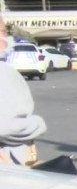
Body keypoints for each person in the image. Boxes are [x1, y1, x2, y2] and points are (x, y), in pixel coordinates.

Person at [0, 19, 45, 166]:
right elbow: (6, 127)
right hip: (9, 165)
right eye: (3, 32)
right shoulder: (3, 73)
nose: (7, 38)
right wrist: (37, 124)